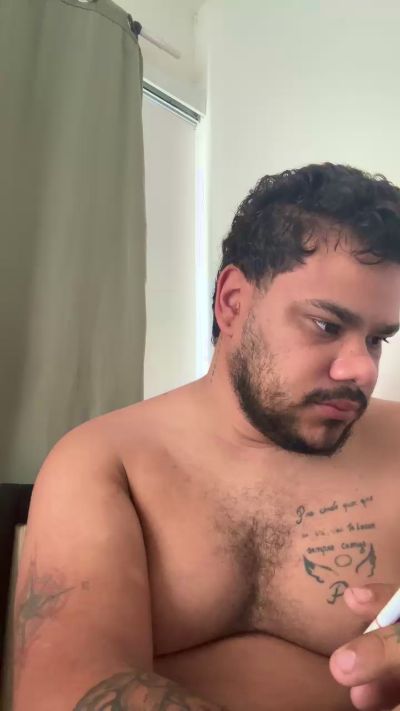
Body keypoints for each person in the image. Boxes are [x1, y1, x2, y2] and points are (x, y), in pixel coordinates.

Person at [13, 163, 400, 711]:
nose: (361, 369)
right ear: (233, 302)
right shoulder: (107, 462)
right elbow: (68, 694)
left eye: (378, 339)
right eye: (326, 326)